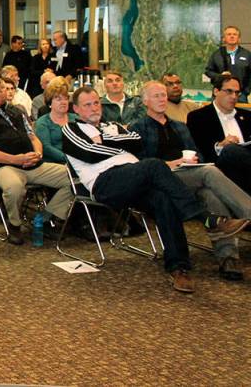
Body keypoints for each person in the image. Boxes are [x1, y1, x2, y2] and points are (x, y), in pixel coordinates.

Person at [61, 86, 248, 293]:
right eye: (87, 105)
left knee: (163, 199)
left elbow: (136, 141)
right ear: (76, 109)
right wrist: (118, 144)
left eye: (96, 102)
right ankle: (206, 218)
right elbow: (90, 152)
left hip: (136, 178)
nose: (94, 108)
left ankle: (179, 267)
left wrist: (106, 139)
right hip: (105, 182)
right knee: (154, 164)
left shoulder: (112, 126)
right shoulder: (71, 129)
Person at [133, 81, 251, 281]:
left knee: (211, 195)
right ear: (145, 101)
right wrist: (172, 163)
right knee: (210, 172)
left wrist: (193, 161)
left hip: (189, 175)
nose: (163, 99)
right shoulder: (138, 128)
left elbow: (199, 156)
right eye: (156, 96)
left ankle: (228, 258)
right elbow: (141, 165)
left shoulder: (180, 127)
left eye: (163, 95)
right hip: (162, 178)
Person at [0, 75, 72, 245]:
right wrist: (15, 159)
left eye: (0, 90)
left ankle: (46, 218)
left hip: (33, 163)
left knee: (74, 177)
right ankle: (14, 225)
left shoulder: (17, 112)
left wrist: (37, 153)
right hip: (3, 168)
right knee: (14, 187)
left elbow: (34, 138)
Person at [187, 74, 251, 194]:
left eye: (237, 93)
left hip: (246, 169)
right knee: (231, 150)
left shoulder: (247, 117)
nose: (234, 97)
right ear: (216, 91)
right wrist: (220, 146)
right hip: (221, 170)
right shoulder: (199, 117)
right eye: (229, 92)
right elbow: (200, 150)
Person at [33, 78, 75, 164]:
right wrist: (70, 159)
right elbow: (46, 148)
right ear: (50, 103)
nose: (63, 102)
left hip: (79, 161)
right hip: (55, 163)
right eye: (58, 99)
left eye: (65, 98)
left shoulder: (76, 118)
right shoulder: (42, 122)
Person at [206, 25, 251, 101]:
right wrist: (220, 76)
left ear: (239, 39)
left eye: (234, 34)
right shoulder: (216, 54)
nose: (232, 36)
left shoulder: (247, 55)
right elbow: (208, 71)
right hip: (220, 93)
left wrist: (246, 91)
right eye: (229, 34)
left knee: (240, 113)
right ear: (224, 38)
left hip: (240, 95)